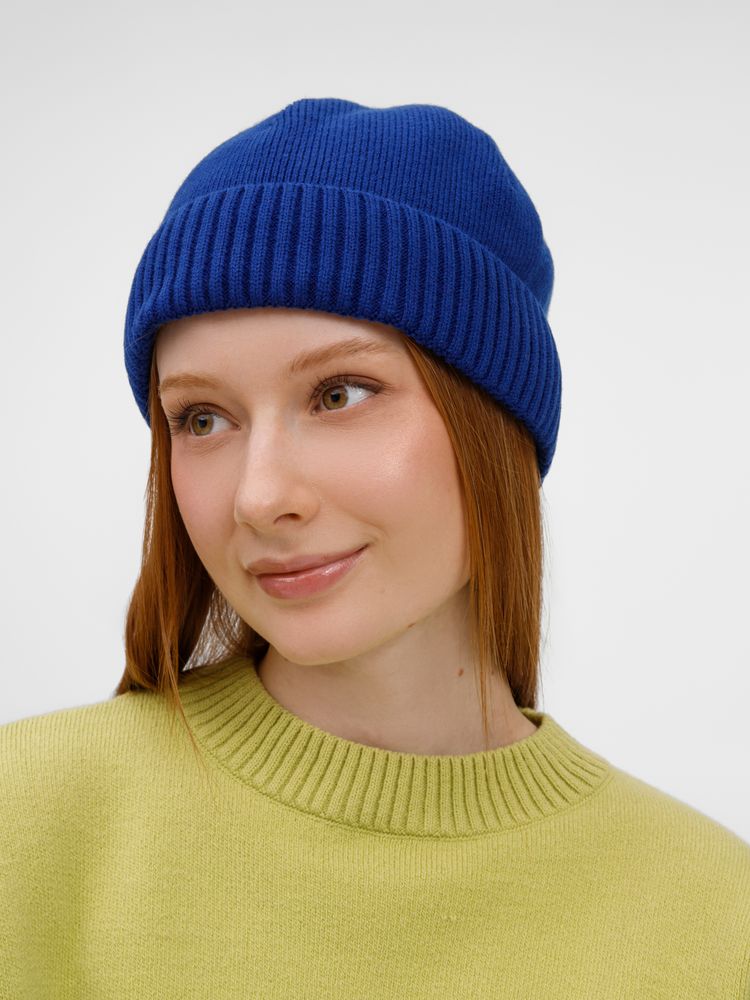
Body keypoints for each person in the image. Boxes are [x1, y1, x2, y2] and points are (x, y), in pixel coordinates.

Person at [1, 97, 748, 998]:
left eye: (340, 394)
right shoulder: (28, 824)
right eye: (201, 418)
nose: (260, 496)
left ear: (495, 421)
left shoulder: (715, 917)